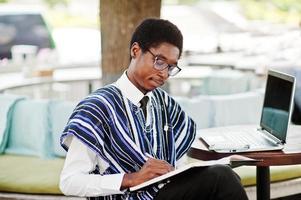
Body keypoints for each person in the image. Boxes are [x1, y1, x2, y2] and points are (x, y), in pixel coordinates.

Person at [59, 18, 248, 200]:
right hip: (125, 197)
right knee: (222, 178)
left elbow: (179, 162)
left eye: (171, 67)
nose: (164, 73)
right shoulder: (97, 107)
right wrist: (130, 178)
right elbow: (69, 182)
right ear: (135, 50)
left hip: (164, 192)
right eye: (159, 61)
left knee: (225, 178)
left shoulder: (165, 104)